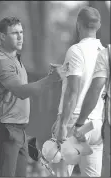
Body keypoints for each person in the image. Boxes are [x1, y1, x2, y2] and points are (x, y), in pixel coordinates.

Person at [0, 16, 62, 177]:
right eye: (14, 33)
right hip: (5, 130)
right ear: (2, 36)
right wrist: (51, 79)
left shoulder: (16, 60)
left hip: (19, 131)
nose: (20, 37)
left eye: (21, 32)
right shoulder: (1, 61)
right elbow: (21, 92)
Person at [52, 6, 105, 177]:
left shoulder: (76, 51)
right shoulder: (105, 53)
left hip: (75, 121)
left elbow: (73, 92)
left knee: (61, 173)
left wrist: (61, 124)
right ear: (99, 25)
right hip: (96, 124)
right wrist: (64, 72)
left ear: (78, 24)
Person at [75, 45, 110, 176]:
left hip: (94, 123)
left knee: (60, 169)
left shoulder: (106, 54)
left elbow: (96, 89)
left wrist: (79, 123)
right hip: (98, 123)